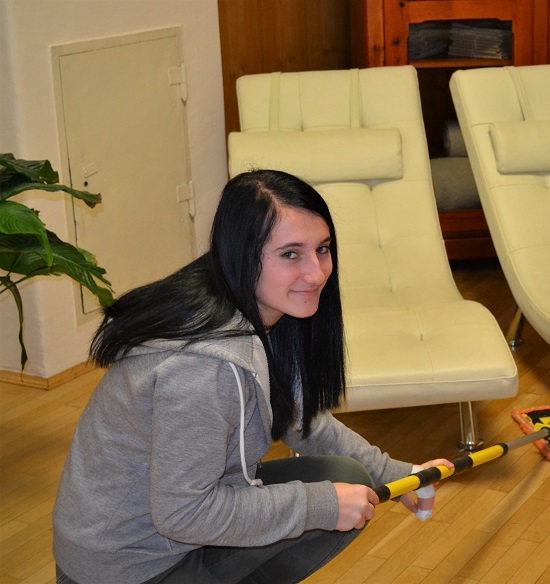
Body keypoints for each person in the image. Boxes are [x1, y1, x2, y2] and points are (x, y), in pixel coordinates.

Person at [53, 169, 453, 584]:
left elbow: (301, 419)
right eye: (291, 254)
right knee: (333, 497)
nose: (317, 273)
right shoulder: (205, 368)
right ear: (243, 255)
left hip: (178, 536)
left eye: (322, 249)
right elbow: (183, 514)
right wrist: (317, 506)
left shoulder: (260, 310)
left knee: (348, 479)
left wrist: (400, 474)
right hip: (131, 567)